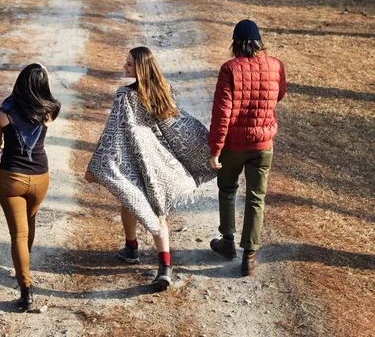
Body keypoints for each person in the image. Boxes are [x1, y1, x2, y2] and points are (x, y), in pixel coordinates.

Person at [85, 47, 216, 291]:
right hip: (161, 164)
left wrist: (95, 166)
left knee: (135, 200)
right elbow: (182, 126)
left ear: (140, 69)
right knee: (149, 207)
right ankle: (158, 264)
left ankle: (136, 250)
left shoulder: (124, 95)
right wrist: (208, 149)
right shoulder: (163, 91)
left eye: (129, 65)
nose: (124, 67)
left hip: (135, 162)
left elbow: (111, 134)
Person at [208, 19, 286, 277]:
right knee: (256, 198)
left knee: (227, 189)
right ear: (259, 42)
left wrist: (216, 149)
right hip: (263, 146)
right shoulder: (276, 65)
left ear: (235, 43)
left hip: (234, 145)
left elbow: (222, 113)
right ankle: (250, 256)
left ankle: (228, 242)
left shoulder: (230, 69)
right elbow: (280, 93)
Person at [0, 63, 61, 311]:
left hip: (12, 177)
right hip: (40, 177)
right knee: (29, 223)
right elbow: (48, 102)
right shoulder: (49, 111)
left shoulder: (3, 112)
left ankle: (26, 289)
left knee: (17, 234)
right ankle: (24, 270)